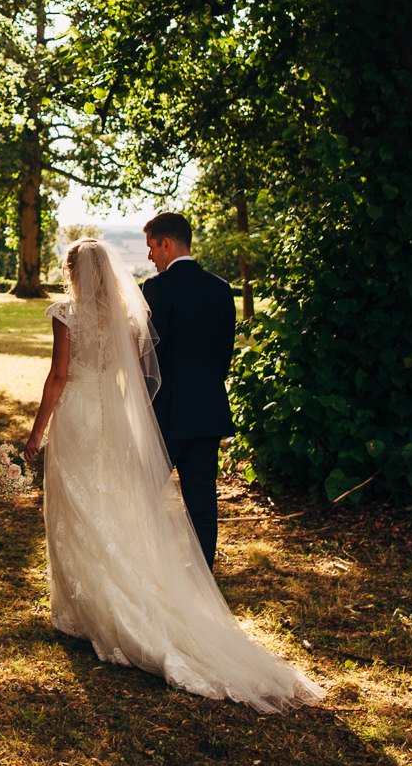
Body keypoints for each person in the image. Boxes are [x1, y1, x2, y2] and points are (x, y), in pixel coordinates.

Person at [23, 237, 320, 712]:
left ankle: (87, 608)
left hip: (79, 412)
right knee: (111, 502)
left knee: (77, 503)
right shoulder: (126, 314)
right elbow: (139, 374)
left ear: (75, 272)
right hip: (114, 415)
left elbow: (58, 376)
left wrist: (37, 433)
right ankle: (112, 595)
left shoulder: (66, 314)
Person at [139, 210, 234, 568]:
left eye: (151, 247)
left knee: (143, 494)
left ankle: (148, 569)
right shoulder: (221, 288)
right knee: (203, 503)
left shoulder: (157, 288)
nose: (150, 256)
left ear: (166, 243)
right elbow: (224, 354)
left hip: (166, 413)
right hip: (207, 411)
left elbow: (150, 356)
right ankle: (203, 578)